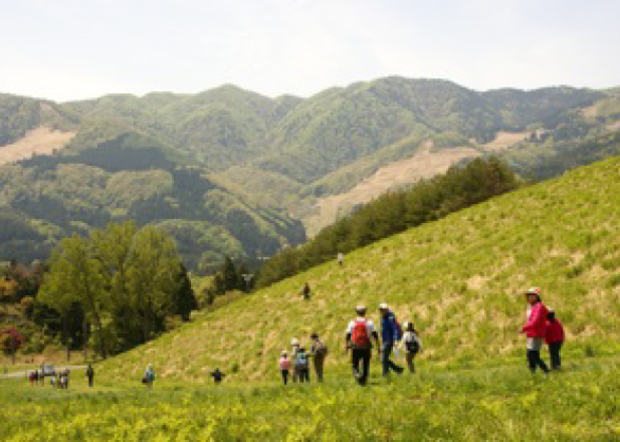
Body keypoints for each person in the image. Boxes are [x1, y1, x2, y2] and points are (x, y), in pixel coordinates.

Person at [345, 305, 380, 386]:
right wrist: (378, 345)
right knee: (365, 364)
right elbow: (375, 334)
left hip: (355, 346)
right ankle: (363, 381)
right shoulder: (369, 322)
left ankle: (357, 376)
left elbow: (348, 335)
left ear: (356, 312)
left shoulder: (352, 322)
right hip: (366, 346)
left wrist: (346, 345)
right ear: (365, 312)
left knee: (355, 364)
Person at [520, 287, 550, 374]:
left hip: (537, 333)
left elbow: (535, 322)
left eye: (530, 295)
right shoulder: (532, 306)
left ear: (536, 296)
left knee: (533, 355)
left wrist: (524, 328)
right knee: (530, 355)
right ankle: (533, 372)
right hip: (532, 333)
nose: (528, 297)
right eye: (528, 295)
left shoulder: (539, 307)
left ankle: (546, 370)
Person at [378, 303, 404, 377]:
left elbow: (395, 329)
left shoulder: (390, 317)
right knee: (383, 358)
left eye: (382, 309)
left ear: (386, 309)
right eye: (380, 309)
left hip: (389, 340)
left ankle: (386, 374)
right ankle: (398, 369)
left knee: (383, 357)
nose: (381, 311)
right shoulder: (384, 317)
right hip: (385, 339)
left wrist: (395, 339)